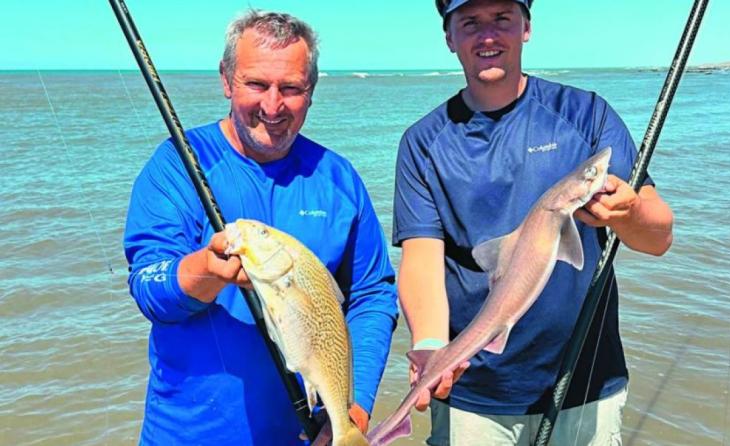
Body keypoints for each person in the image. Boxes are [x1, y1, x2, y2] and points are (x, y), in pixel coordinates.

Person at [392, 0, 674, 445]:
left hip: (584, 381)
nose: (488, 35)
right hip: (472, 392)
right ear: (449, 37)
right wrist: (429, 344)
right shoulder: (423, 143)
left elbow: (658, 237)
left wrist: (630, 213)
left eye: (502, 18)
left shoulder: (586, 115)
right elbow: (422, 258)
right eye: (470, 22)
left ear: (526, 28)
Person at [123, 9, 398, 445]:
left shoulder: (339, 179)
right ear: (226, 79)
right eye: (256, 84)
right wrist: (207, 270)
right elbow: (148, 288)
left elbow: (372, 295)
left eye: (291, 88)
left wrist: (354, 409)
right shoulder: (177, 164)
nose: (273, 106)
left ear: (311, 91)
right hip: (186, 435)